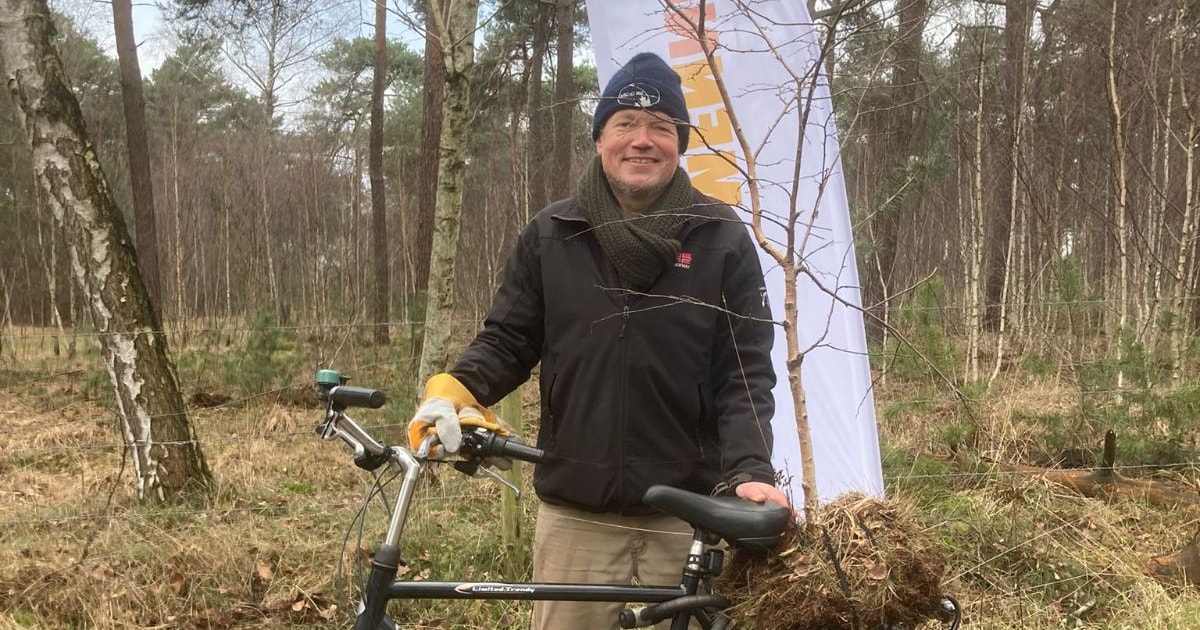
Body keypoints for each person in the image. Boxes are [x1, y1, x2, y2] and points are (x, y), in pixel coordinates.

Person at [409, 51, 789, 629]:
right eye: (625, 125)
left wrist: (751, 469)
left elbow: (745, 375)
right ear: (599, 140)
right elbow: (508, 340)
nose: (643, 141)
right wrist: (451, 390)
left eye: (661, 127)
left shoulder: (721, 239)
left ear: (680, 142)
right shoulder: (551, 234)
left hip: (684, 517)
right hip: (575, 517)